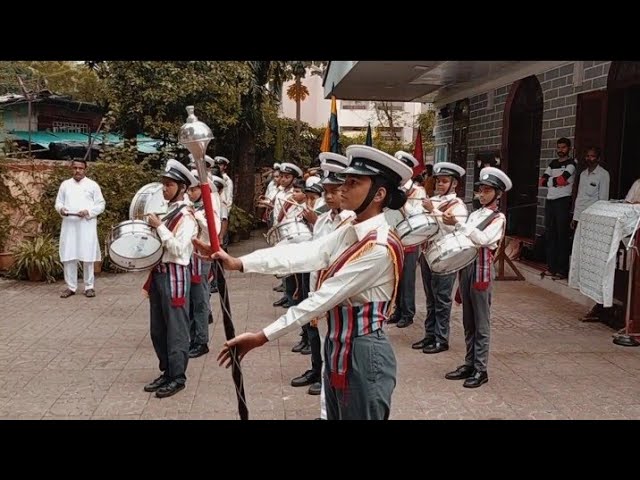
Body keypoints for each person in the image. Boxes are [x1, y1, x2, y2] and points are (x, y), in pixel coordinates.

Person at [195, 145, 412, 420]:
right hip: (337, 343)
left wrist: (262, 336)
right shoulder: (350, 229)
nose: (343, 188)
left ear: (379, 194)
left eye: (354, 182)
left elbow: (322, 299)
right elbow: (306, 253)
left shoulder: (379, 248)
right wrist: (240, 262)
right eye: (345, 181)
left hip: (364, 352)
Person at [442, 167, 511, 388]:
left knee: (481, 321)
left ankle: (481, 368)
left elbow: (482, 239)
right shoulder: (475, 213)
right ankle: (469, 363)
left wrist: (460, 225)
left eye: (487, 190)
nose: (482, 194)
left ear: (498, 193)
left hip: (481, 267)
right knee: (468, 320)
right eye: (480, 190)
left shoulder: (498, 218)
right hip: (467, 265)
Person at [142, 159, 198, 398]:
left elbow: (178, 249)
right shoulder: (169, 211)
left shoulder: (187, 216)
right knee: (158, 329)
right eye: (163, 184)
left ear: (182, 188)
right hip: (160, 274)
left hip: (175, 275)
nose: (164, 188)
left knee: (176, 329)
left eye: (169, 184)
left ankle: (178, 376)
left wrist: (159, 227)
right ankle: (166, 371)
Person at [412, 162, 468, 354]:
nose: (440, 185)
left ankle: (441, 339)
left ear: (454, 184)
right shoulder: (433, 200)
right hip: (428, 254)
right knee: (430, 299)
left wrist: (432, 211)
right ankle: (430, 334)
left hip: (446, 256)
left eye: (445, 181)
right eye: (438, 181)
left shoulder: (457, 205)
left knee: (442, 299)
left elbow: (453, 226)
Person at [55, 159, 106, 298]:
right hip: (69, 225)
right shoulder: (65, 185)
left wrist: (88, 212)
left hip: (86, 225)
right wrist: (61, 209)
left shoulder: (92, 185)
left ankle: (89, 286)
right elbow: (58, 202)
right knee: (69, 256)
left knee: (87, 256)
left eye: (80, 168)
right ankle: (71, 287)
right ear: (71, 169)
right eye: (75, 168)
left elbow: (101, 205)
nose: (77, 171)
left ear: (85, 169)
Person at [388, 152, 425, 329]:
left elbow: (417, 215)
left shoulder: (417, 191)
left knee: (408, 278)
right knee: (396, 277)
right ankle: (398, 310)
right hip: (394, 237)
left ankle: (408, 313)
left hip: (410, 238)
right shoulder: (393, 188)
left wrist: (403, 202)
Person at [540, 138, 577, 280]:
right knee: (550, 235)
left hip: (563, 202)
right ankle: (551, 267)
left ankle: (562, 270)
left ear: (569, 149)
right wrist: (555, 182)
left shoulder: (572, 164)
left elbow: (562, 180)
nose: (560, 150)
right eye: (559, 147)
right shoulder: (553, 163)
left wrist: (554, 181)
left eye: (563, 147)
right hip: (550, 202)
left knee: (562, 235)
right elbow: (542, 181)